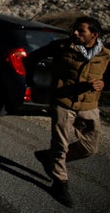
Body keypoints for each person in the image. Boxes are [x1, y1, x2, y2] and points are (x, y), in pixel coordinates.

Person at [32, 16, 109, 208]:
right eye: (74, 29)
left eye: (81, 31)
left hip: (89, 106)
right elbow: (34, 57)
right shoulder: (61, 47)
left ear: (94, 34)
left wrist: (103, 84)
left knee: (90, 148)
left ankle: (47, 157)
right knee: (60, 145)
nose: (75, 33)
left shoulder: (106, 55)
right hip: (63, 104)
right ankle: (60, 184)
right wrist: (35, 83)